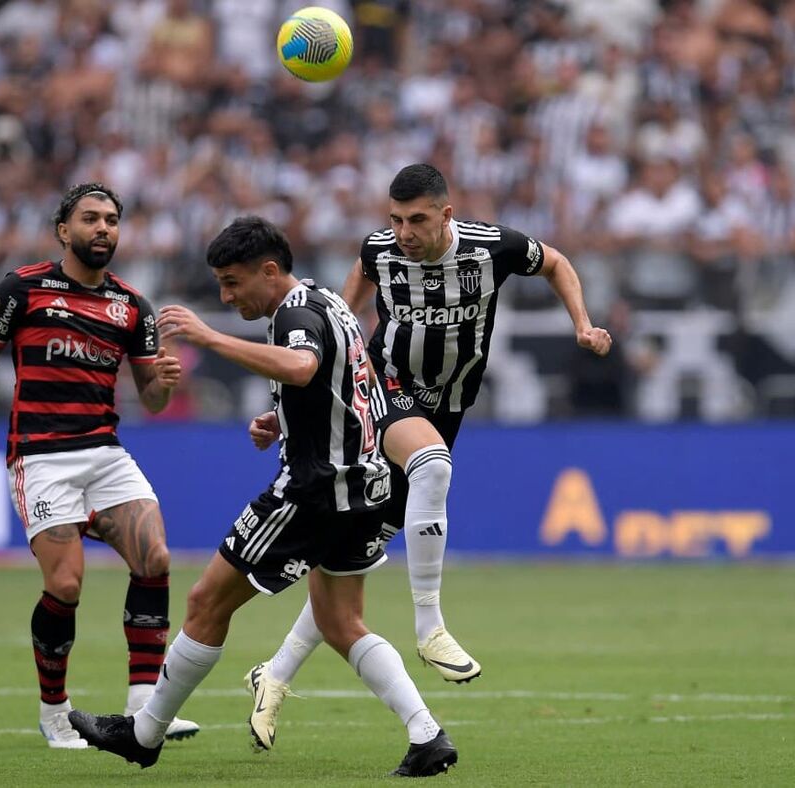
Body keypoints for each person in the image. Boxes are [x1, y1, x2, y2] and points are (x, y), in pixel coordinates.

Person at [67, 216, 458, 778]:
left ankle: (144, 733)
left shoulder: (295, 315)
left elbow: (303, 367)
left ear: (269, 271)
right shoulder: (327, 302)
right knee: (342, 622)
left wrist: (210, 337)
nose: (227, 296)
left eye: (233, 282)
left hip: (312, 494)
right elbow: (351, 382)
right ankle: (427, 736)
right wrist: (283, 417)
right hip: (363, 489)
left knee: (206, 602)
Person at [244, 163, 613, 748]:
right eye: (395, 219)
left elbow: (558, 262)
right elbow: (336, 322)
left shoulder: (495, 248)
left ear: (446, 214)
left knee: (349, 559)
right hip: (382, 392)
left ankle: (274, 675)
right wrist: (304, 401)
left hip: (447, 407)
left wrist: (583, 324)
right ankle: (430, 626)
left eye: (416, 220)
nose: (404, 232)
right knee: (434, 465)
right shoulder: (379, 252)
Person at [0, 182, 199, 749]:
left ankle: (143, 705)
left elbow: (152, 398)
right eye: (91, 218)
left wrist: (162, 385)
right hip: (41, 455)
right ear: (64, 229)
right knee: (65, 585)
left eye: (112, 220)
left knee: (156, 556)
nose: (103, 228)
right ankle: (54, 711)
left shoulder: (132, 306)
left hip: (104, 452)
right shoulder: (23, 287)